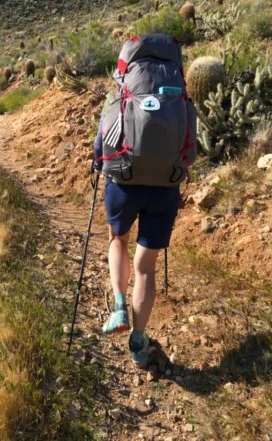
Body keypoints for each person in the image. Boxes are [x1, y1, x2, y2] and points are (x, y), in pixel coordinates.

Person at [91, 33, 195, 369]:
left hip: (123, 179)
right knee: (145, 266)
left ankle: (119, 305)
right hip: (165, 185)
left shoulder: (122, 84)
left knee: (118, 240)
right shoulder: (178, 85)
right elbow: (190, 137)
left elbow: (104, 131)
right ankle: (138, 342)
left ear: (129, 57)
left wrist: (98, 160)